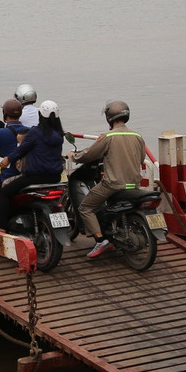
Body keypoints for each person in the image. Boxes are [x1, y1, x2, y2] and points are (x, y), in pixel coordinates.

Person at [72, 100, 145, 259]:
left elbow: (90, 154)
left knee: (85, 207)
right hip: (134, 185)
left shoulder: (108, 136)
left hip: (113, 185)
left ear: (109, 118)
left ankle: (100, 240)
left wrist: (74, 156)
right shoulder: (137, 136)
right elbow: (141, 159)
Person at [0, 100, 66, 228]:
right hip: (55, 177)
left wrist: (7, 160)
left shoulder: (35, 132)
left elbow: (21, 150)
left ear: (40, 116)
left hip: (35, 177)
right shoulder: (59, 134)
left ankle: (2, 228)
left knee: (5, 192)